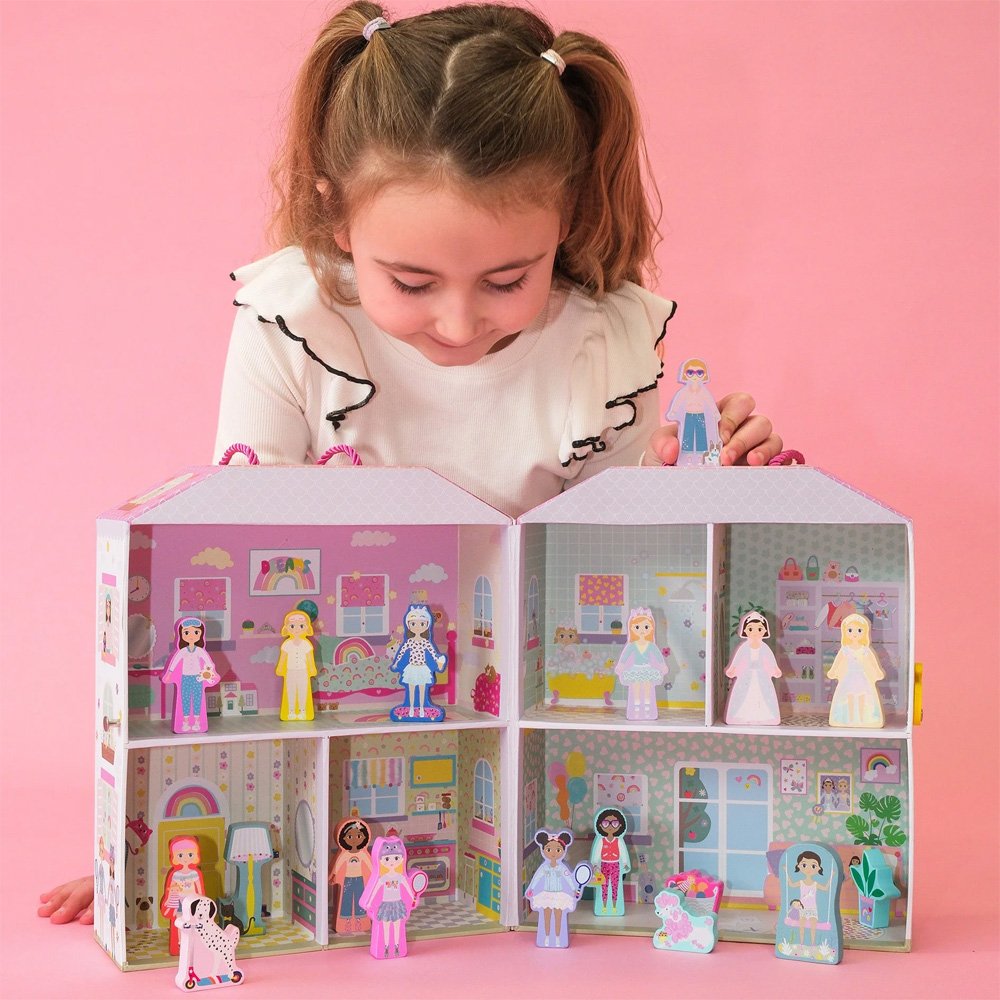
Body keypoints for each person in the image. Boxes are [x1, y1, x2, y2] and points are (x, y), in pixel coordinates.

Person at [40, 0, 782, 925]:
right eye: (412, 282)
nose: (459, 323)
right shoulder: (292, 323)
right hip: (338, 717)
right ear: (336, 215)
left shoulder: (604, 348)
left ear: (568, 218)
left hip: (523, 745)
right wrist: (137, 845)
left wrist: (700, 480)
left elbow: (610, 564)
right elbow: (230, 560)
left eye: (509, 279)